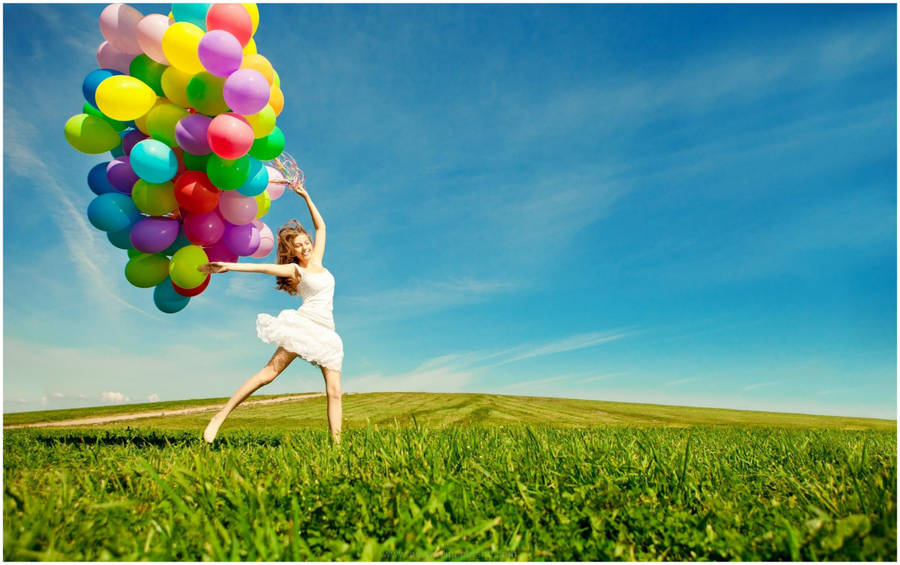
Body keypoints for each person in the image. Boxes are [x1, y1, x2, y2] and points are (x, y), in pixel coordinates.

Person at [198, 183, 344, 445]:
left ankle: (337, 447)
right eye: (298, 246)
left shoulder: (319, 261)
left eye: (306, 242)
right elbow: (263, 268)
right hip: (304, 326)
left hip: (327, 333)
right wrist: (228, 266)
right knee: (268, 374)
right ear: (293, 252)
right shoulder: (295, 270)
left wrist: (306, 196)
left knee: (335, 392)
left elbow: (321, 227)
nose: (305, 247)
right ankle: (220, 416)